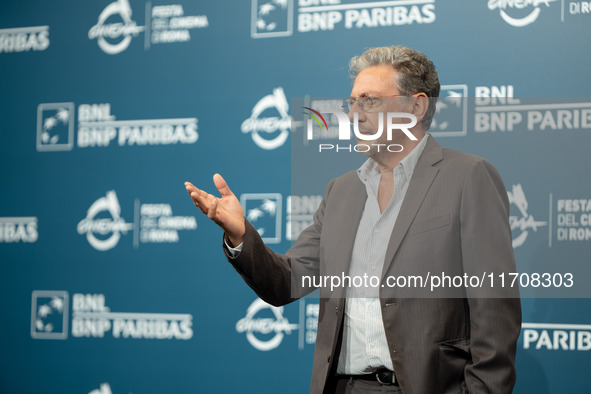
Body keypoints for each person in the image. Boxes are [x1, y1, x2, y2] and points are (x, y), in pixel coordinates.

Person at [185, 46, 521, 394]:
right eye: (352, 103)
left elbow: (494, 311)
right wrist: (241, 235)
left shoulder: (468, 177)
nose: (355, 114)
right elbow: (287, 282)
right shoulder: (342, 191)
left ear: (416, 106)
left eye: (369, 100)